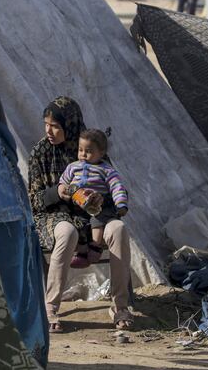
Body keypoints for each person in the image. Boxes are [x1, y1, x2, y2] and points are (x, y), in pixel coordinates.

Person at [27, 96, 134, 333]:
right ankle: (51, 306)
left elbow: (114, 184)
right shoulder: (40, 152)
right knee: (66, 232)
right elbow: (34, 200)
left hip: (93, 216)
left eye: (55, 125)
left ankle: (120, 305)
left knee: (118, 229)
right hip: (56, 214)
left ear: (70, 125)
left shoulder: (90, 145)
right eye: (46, 124)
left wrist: (100, 199)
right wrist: (59, 192)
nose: (49, 131)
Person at [59, 129, 128, 268]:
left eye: (88, 151)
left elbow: (117, 187)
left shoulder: (106, 170)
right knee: (78, 223)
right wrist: (62, 189)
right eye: (80, 150)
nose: (83, 154)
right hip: (79, 205)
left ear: (101, 153)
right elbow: (63, 182)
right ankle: (82, 252)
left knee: (97, 220)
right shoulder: (73, 167)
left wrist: (121, 204)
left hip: (98, 206)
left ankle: (96, 246)